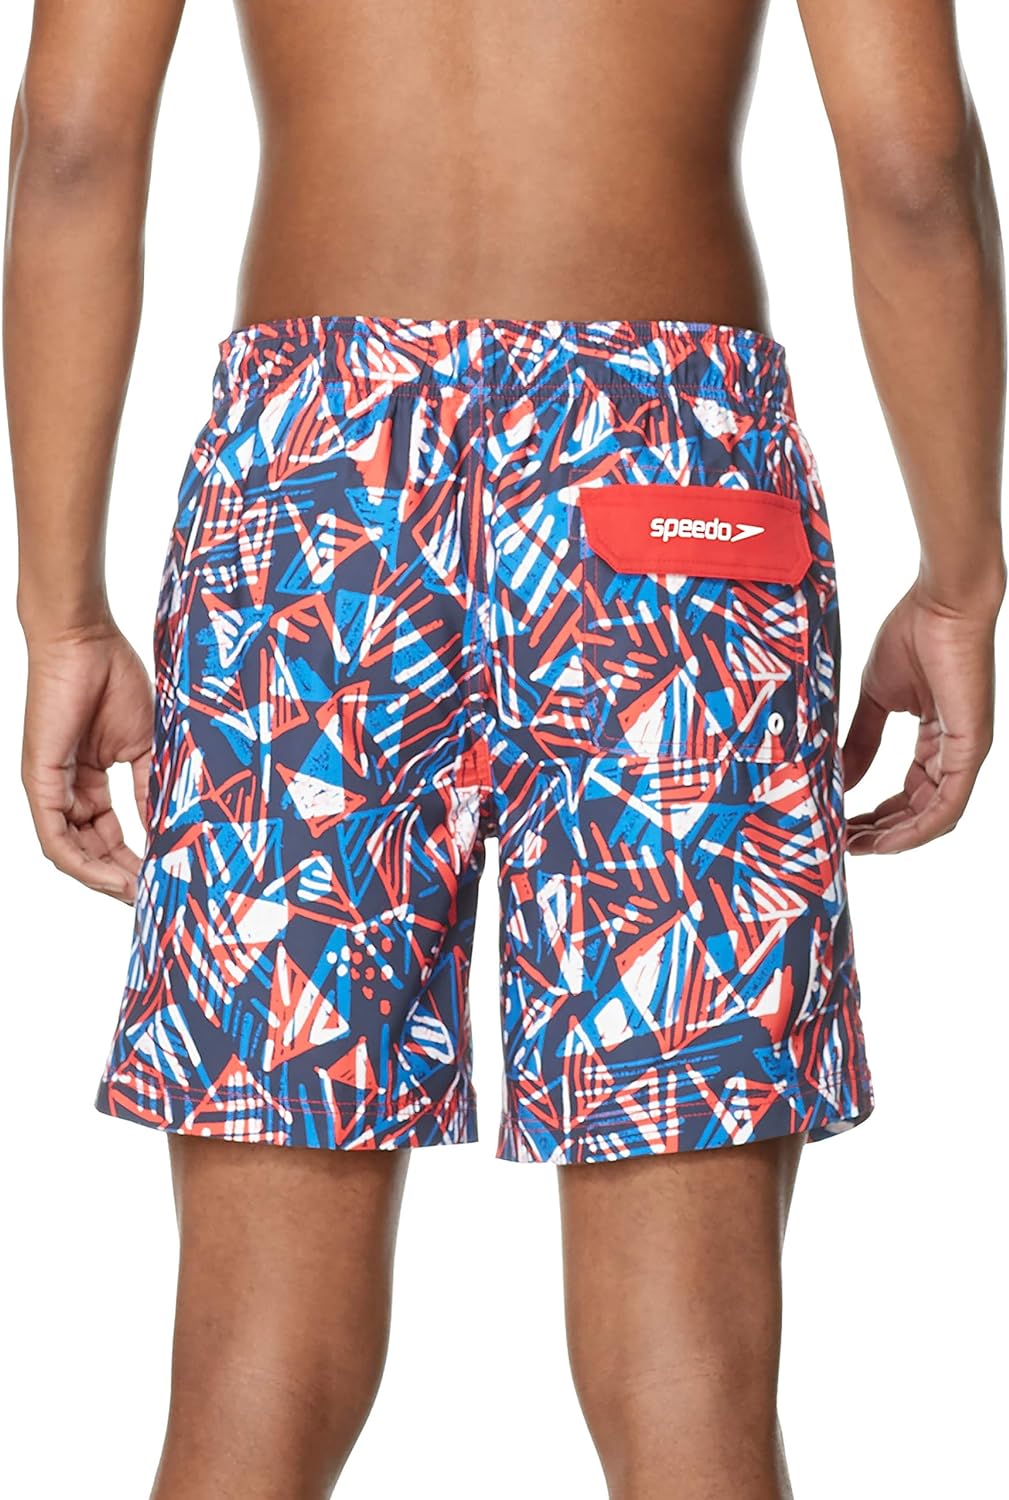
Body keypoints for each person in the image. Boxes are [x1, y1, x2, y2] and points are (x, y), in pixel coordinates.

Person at [5, 1, 1004, 1496]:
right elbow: (915, 167)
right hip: (669, 497)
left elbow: (75, 145)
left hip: (315, 503)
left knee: (253, 1362)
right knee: (685, 1364)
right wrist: (963, 578)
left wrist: (62, 614)